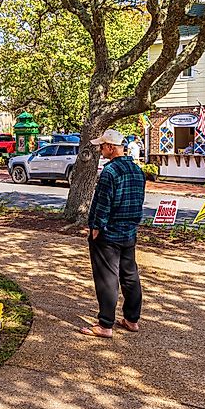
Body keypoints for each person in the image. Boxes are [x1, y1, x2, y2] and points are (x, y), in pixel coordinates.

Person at [80, 128, 145, 338]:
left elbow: (103, 204)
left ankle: (105, 324)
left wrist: (96, 228)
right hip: (129, 230)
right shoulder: (137, 171)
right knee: (130, 275)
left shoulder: (110, 172)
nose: (100, 150)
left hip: (109, 232)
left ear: (110, 147)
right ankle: (132, 319)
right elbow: (138, 200)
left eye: (101, 147)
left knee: (107, 277)